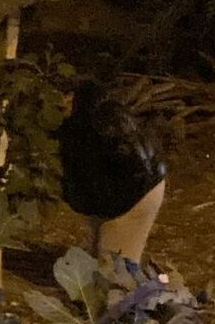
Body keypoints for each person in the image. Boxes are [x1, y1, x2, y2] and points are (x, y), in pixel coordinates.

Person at [57, 80, 167, 266]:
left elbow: (90, 179)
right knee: (107, 257)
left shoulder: (82, 129)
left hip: (130, 198)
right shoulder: (111, 112)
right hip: (148, 185)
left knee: (115, 268)